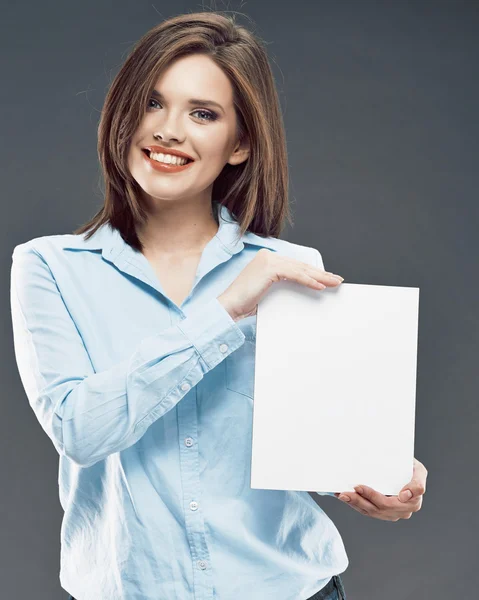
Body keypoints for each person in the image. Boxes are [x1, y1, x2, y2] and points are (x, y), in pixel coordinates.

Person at [10, 10, 427, 600]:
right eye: (152, 104)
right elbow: (80, 429)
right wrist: (226, 312)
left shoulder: (288, 265)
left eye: (202, 114)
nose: (168, 130)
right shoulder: (50, 267)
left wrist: (380, 475)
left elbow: (306, 441)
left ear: (239, 145)